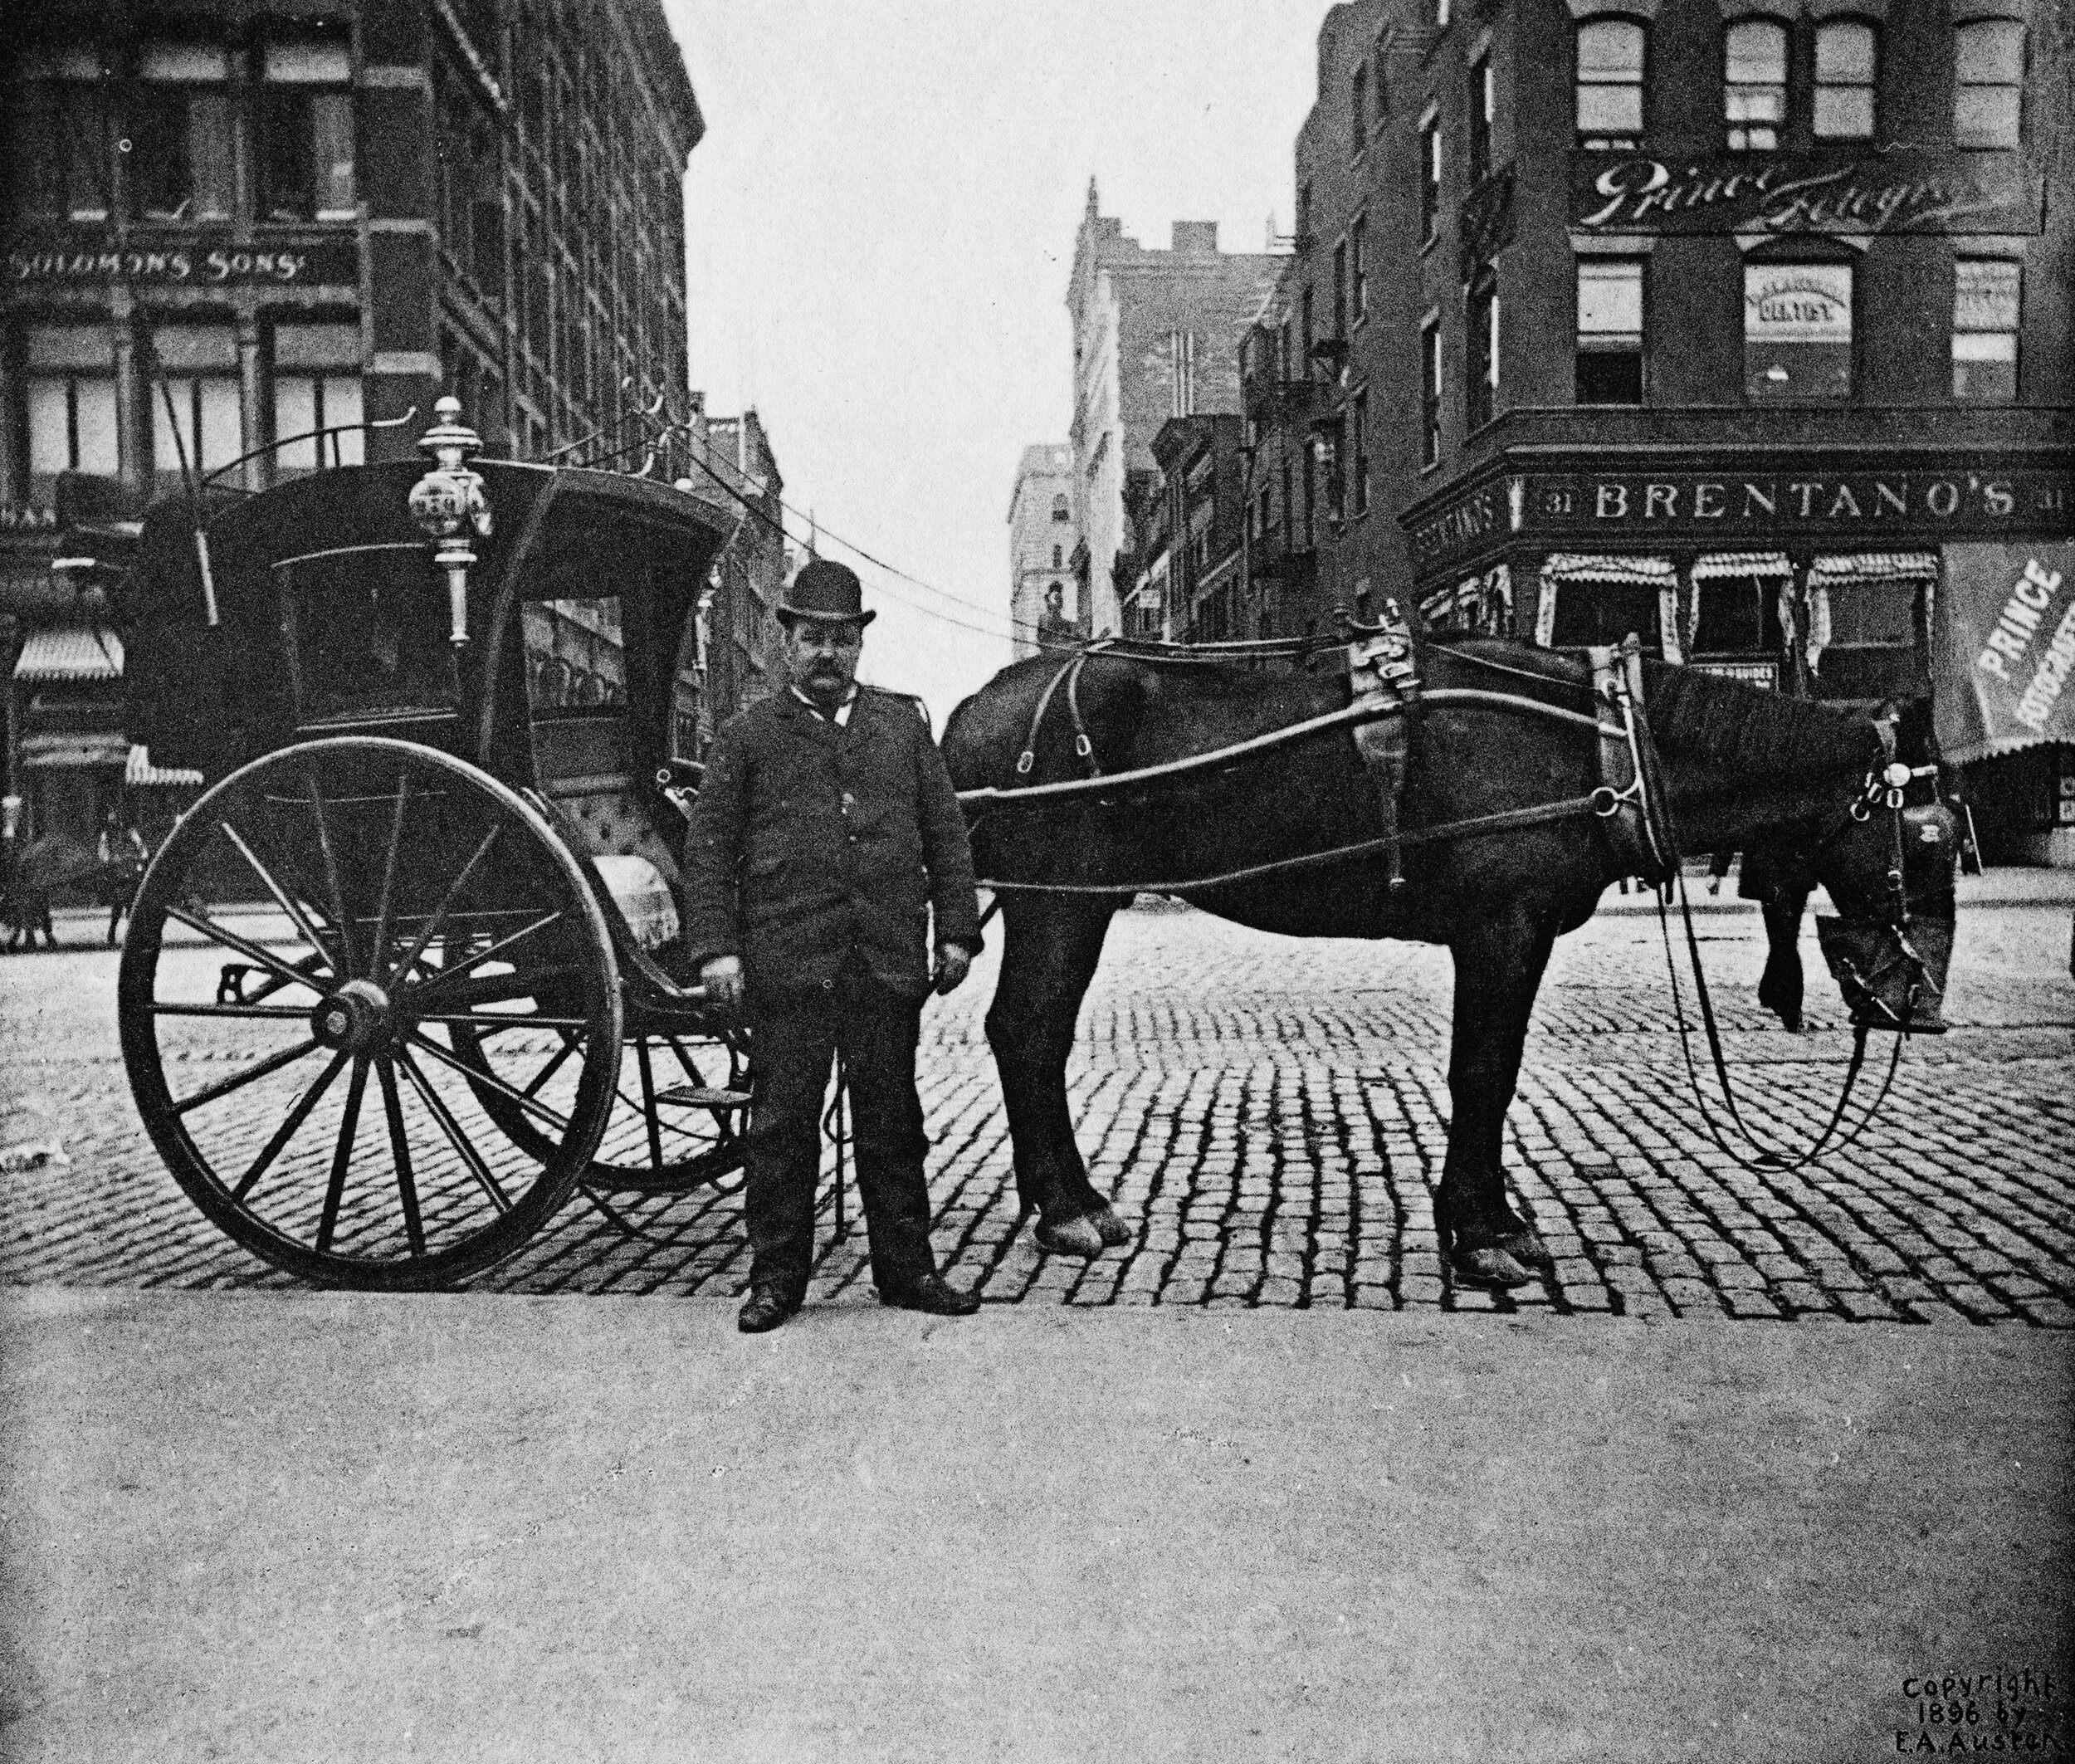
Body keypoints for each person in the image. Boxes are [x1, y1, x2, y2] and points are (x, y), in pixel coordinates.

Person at [680, 559, 986, 1332]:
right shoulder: (749, 736)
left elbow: (946, 834)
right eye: (813, 637)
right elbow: (710, 850)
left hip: (882, 959)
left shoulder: (901, 728)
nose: (828, 653)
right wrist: (718, 950)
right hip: (791, 964)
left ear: (859, 645)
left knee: (893, 1121)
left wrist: (955, 930)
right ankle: (777, 1281)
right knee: (782, 1124)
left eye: (842, 640)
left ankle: (908, 1270)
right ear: (788, 641)